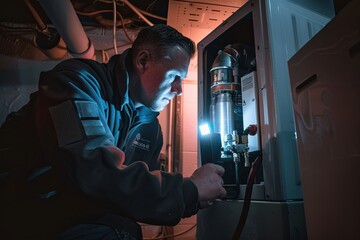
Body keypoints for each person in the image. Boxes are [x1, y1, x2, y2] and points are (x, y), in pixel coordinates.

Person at [0, 24, 226, 239]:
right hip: (24, 213)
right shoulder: (75, 84)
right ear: (143, 60)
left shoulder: (150, 131)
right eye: (174, 76)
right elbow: (93, 170)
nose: (178, 90)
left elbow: (134, 200)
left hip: (77, 219)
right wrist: (189, 190)